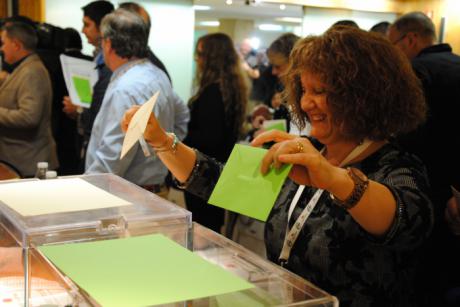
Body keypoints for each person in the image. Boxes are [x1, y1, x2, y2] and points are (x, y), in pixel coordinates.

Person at [122, 27, 434, 306]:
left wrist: (332, 177)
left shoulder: (398, 167)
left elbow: (404, 220)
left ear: (363, 97)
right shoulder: (307, 153)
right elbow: (218, 181)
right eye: (305, 90)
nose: (307, 103)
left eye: (321, 91)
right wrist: (161, 140)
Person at [388, 11, 460, 306]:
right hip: (456, 190)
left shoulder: (415, 73)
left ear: (410, 39)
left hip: (426, 191)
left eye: (392, 46)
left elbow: (404, 137)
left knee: (422, 282)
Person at [86, 9, 189, 198]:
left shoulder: (125, 88)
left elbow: (113, 154)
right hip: (155, 189)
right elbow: (183, 116)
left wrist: (88, 193)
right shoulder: (157, 74)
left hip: (129, 196)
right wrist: (162, 151)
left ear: (108, 44)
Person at [182, 33, 248, 232]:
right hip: (218, 172)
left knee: (203, 231)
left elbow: (209, 139)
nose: (196, 58)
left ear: (213, 58)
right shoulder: (230, 89)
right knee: (210, 228)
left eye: (200, 54)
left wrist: (180, 142)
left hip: (204, 173)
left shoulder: (213, 93)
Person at [62, 0, 114, 172]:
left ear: (102, 27)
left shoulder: (110, 62)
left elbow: (103, 108)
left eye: (87, 25)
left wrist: (79, 110)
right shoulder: (98, 56)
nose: (83, 30)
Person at [0, 22, 58, 177]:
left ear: (17, 45)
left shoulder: (32, 71)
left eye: (3, 43)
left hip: (29, 164)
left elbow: (29, 117)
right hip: (18, 160)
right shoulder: (23, 67)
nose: (1, 48)